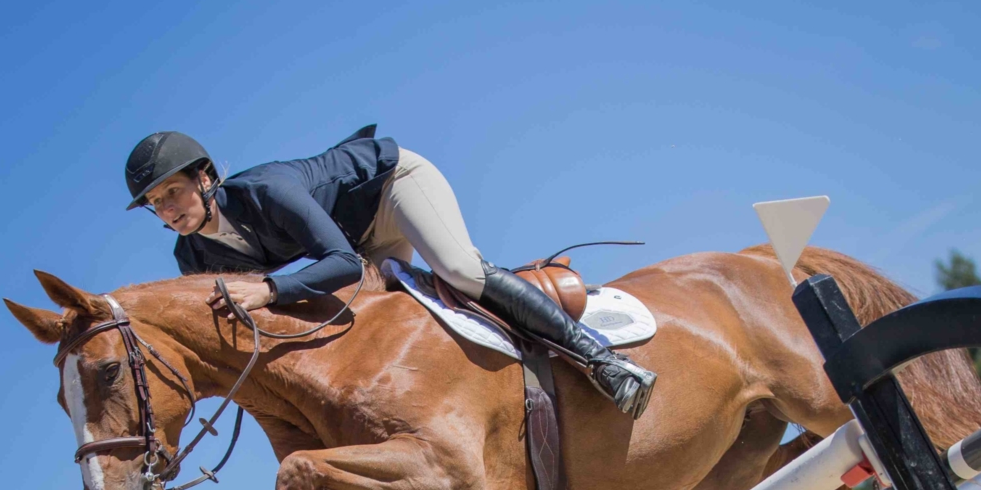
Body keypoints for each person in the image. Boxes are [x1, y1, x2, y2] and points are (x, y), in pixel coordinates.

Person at [123, 129, 656, 417]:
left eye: (174, 191)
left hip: (391, 186)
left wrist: (269, 288)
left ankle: (603, 360)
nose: (168, 209)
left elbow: (341, 264)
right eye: (155, 203)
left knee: (458, 269)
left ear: (206, 177)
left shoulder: (265, 191)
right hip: (352, 238)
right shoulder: (191, 261)